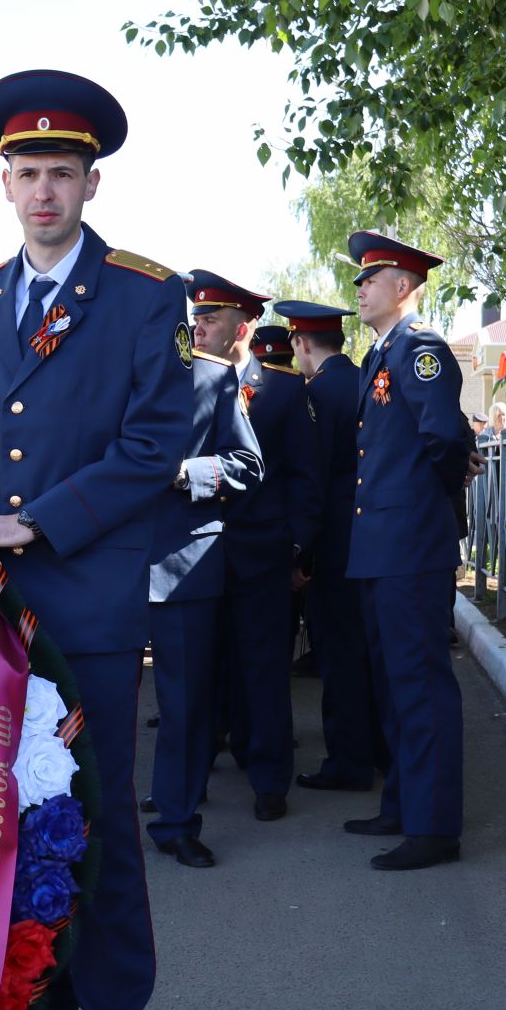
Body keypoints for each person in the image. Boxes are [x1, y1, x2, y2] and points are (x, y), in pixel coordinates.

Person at [0, 69, 185, 1010]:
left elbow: (155, 443)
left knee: (100, 826)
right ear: (3, 181)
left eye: (61, 174)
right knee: (2, 819)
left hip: (88, 599)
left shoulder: (139, 293)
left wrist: (36, 523)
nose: (43, 192)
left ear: (89, 181)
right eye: (26, 173)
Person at [342, 231, 475, 870]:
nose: (360, 288)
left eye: (372, 278)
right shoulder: (383, 353)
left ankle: (433, 827)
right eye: (360, 278)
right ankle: (402, 802)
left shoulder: (420, 349)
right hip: (381, 546)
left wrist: (436, 499)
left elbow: (446, 437)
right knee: (394, 684)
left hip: (410, 546)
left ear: (404, 288)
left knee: (420, 684)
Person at [187, 269, 320, 822]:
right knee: (195, 672)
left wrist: (297, 547)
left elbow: (304, 477)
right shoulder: (185, 383)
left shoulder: (285, 391)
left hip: (261, 551)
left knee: (263, 669)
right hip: (196, 555)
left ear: (243, 326)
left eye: (210, 319)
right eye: (195, 319)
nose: (197, 330)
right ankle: (186, 787)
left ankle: (269, 779)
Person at [144, 338, 263, 869]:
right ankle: (82, 823)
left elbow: (247, 463)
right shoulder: (91, 362)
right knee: (87, 702)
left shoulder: (212, 377)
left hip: (182, 564)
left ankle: (176, 821)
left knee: (186, 706)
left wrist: (184, 473)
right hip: (98, 563)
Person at [280, 300, 387, 793]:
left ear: (301, 342)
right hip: (370, 537)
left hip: (333, 543)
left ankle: (348, 761)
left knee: (338, 654)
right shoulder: (365, 379)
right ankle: (379, 749)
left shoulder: (316, 393)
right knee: (367, 649)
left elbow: (313, 480)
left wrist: (303, 553)